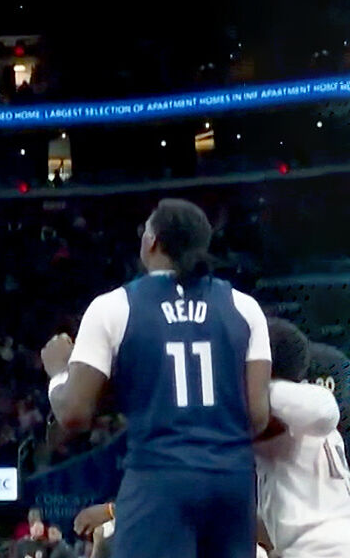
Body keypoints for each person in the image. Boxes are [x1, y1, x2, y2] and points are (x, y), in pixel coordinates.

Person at [43, 198, 272, 558]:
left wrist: (59, 372)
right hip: (232, 482)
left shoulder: (114, 306)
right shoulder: (245, 308)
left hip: (159, 476)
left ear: (151, 241)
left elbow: (73, 415)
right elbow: (257, 416)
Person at [254, 319, 350, 558]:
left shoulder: (293, 406)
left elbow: (325, 411)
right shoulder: (304, 406)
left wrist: (257, 389)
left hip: (319, 549)